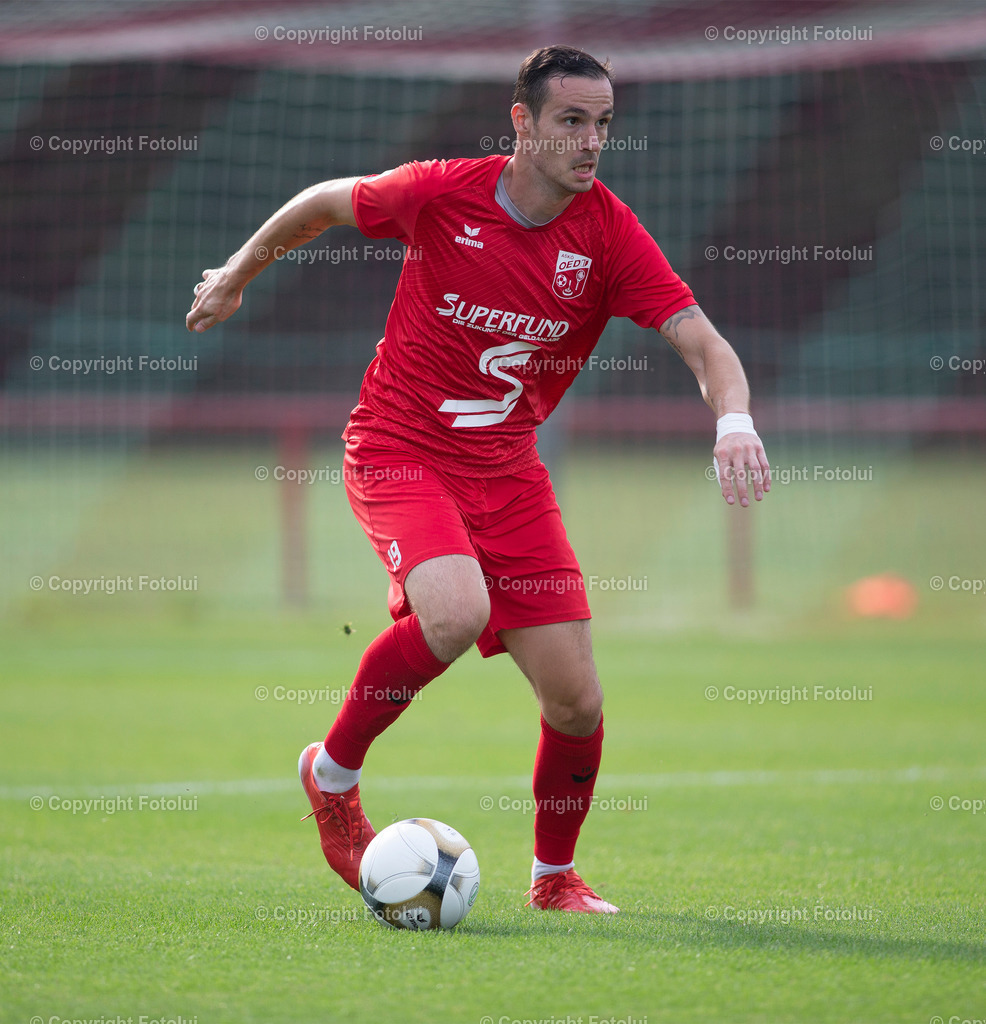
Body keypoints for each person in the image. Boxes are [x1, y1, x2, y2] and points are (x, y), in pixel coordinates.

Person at [186, 44, 770, 914]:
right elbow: (321, 204)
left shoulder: (608, 232)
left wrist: (733, 420)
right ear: (522, 123)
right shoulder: (441, 192)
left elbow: (703, 343)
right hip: (398, 447)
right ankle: (332, 775)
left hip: (508, 473)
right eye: (572, 120)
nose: (591, 140)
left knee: (577, 702)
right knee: (456, 613)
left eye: (603, 123)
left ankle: (553, 880)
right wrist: (235, 277)